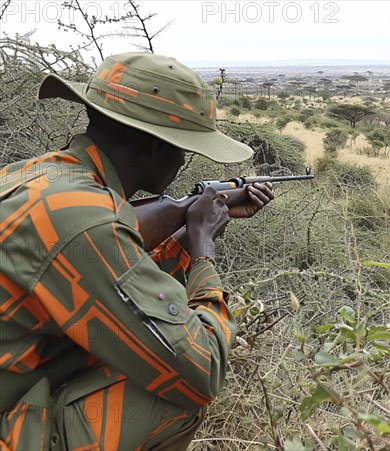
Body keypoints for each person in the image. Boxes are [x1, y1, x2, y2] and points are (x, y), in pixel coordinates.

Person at [0, 52, 274, 450]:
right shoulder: (89, 220)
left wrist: (191, 228)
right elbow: (203, 367)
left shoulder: (34, 174)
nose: (184, 161)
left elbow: (110, 278)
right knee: (173, 394)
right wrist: (202, 248)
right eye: (184, 148)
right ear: (153, 146)